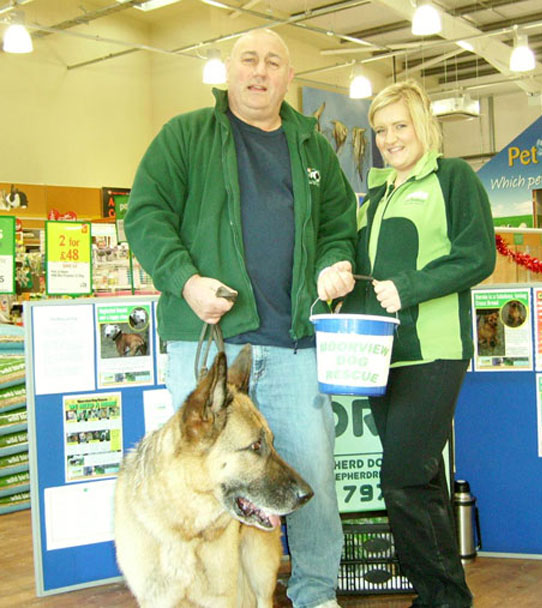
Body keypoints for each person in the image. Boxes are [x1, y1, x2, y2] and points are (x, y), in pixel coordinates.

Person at [124, 29, 357, 608]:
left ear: (288, 76)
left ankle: (315, 595)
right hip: (209, 348)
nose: (260, 71)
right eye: (248, 60)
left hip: (297, 345)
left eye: (273, 62)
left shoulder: (311, 146)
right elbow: (146, 214)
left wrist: (335, 263)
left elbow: (338, 227)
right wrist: (185, 280)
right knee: (203, 491)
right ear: (227, 71)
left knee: (315, 484)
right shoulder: (185, 136)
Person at [342, 80, 496, 608]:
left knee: (402, 479)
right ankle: (443, 597)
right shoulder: (376, 194)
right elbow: (366, 273)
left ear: (424, 124)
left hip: (434, 351)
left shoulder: (454, 178)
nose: (389, 138)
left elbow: (477, 257)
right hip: (378, 357)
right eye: (380, 130)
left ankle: (442, 598)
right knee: (421, 480)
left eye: (399, 125)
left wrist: (409, 287)